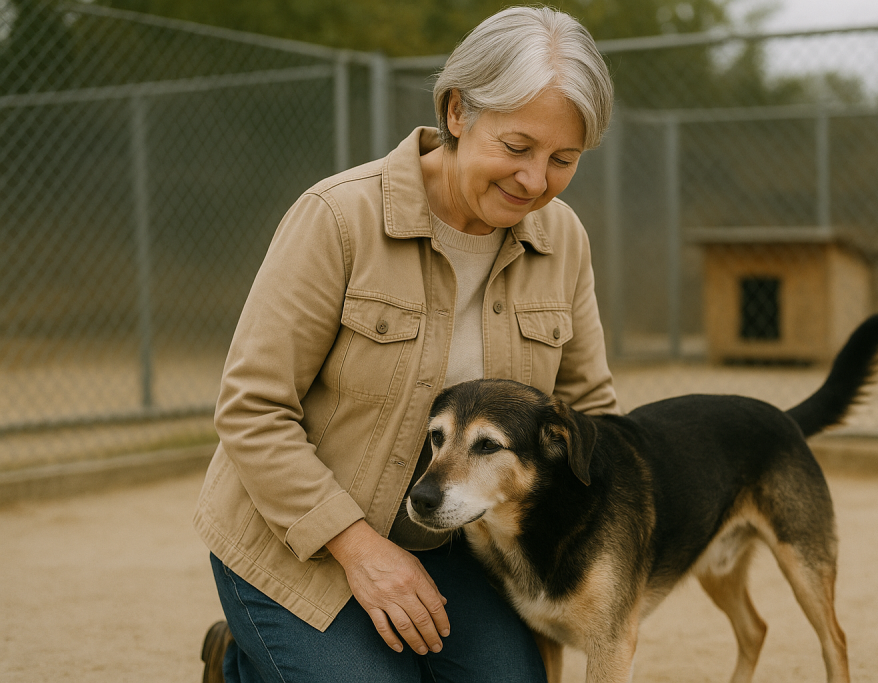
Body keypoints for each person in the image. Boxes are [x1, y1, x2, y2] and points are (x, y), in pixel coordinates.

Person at [195, 6, 620, 682]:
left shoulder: (562, 238)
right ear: (458, 111)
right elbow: (252, 409)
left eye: (562, 159)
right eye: (517, 147)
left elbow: (591, 409)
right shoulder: (338, 218)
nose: (535, 181)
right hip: (298, 541)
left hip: (457, 544)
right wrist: (357, 546)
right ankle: (240, 660)